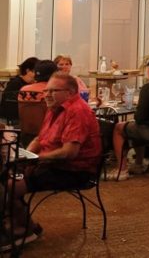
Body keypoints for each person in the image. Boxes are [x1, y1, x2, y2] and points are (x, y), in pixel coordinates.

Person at [7, 72, 102, 247]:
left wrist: (36, 159)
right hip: (49, 164)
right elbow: (39, 139)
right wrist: (24, 156)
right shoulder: (54, 108)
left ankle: (23, 231)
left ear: (70, 92)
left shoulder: (77, 111)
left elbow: (69, 153)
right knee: (6, 175)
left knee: (8, 187)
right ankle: (24, 227)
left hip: (73, 170)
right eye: (46, 90)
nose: (47, 95)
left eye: (53, 91)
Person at [1, 57, 37, 123]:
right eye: (36, 71)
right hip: (11, 121)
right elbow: (9, 107)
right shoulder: (16, 84)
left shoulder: (29, 84)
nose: (37, 75)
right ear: (28, 70)